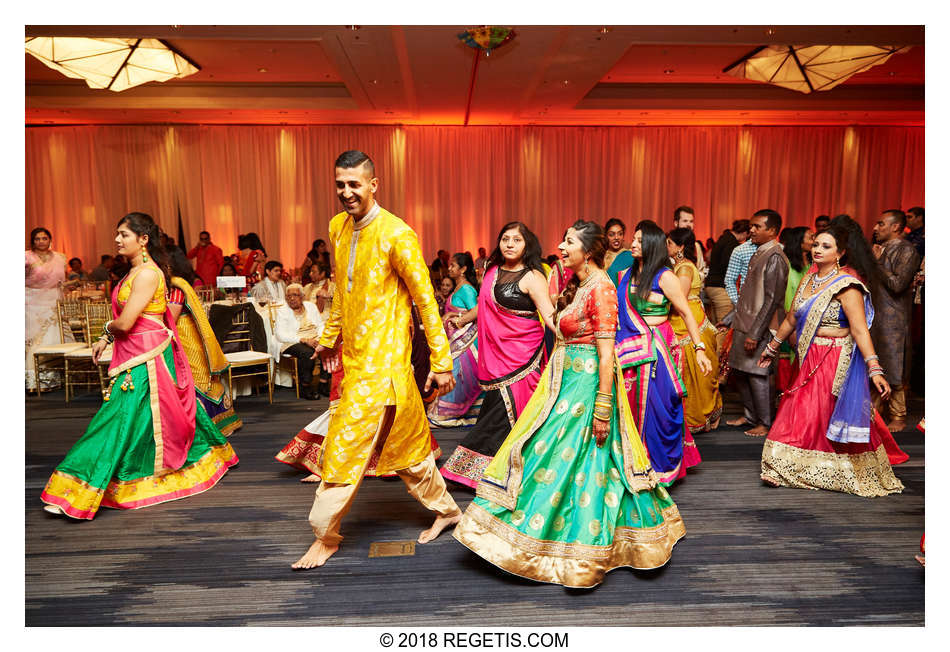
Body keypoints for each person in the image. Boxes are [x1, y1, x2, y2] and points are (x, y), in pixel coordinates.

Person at [453, 220, 685, 588]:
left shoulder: (602, 289)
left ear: (588, 252)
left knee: (582, 459)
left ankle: (577, 548)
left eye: (569, 242)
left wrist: (603, 408)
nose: (560, 247)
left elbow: (607, 355)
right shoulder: (581, 285)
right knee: (550, 454)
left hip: (587, 387)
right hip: (563, 384)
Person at [292, 150, 461, 570]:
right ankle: (448, 511)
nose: (346, 192)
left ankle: (324, 534)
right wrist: (330, 340)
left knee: (342, 450)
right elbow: (342, 293)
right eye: (339, 184)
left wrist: (442, 361)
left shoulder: (397, 234)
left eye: (354, 184)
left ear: (373, 184)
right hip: (357, 362)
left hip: (384, 368)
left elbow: (426, 301)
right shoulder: (337, 227)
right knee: (409, 450)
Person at [40, 212, 238, 519]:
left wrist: (106, 332)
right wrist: (107, 336)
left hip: (147, 358)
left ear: (143, 239)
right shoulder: (134, 272)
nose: (118, 240)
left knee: (118, 417)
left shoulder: (147, 274)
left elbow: (127, 322)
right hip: (141, 354)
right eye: (117, 234)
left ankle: (77, 486)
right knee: (142, 419)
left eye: (124, 234)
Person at [759, 226, 905, 496]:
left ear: (841, 252)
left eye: (826, 246)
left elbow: (860, 330)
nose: (817, 249)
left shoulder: (847, 285)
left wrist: (874, 368)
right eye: (816, 244)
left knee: (821, 412)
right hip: (809, 354)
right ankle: (781, 466)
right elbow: (792, 318)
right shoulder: (808, 280)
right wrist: (773, 346)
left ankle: (830, 468)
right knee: (797, 410)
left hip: (835, 357)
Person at [438, 221, 556, 489]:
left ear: (527, 245)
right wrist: (461, 319)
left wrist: (575, 332)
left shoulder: (533, 277)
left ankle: (475, 470)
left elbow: (549, 315)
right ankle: (490, 471)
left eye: (517, 239)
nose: (510, 244)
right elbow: (483, 308)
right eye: (506, 239)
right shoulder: (491, 272)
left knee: (506, 416)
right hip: (496, 360)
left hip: (524, 359)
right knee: (495, 411)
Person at [615, 220, 711, 485]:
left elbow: (686, 314)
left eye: (638, 240)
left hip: (656, 351)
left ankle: (659, 464)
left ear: (652, 245)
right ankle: (635, 460)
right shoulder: (626, 274)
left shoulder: (664, 276)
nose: (632, 244)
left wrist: (699, 348)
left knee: (659, 407)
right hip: (629, 349)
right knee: (631, 405)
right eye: (632, 239)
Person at [723, 209, 788, 436]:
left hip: (759, 327)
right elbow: (748, 294)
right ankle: (750, 415)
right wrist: (730, 319)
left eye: (757, 227)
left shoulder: (775, 257)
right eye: (751, 225)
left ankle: (765, 422)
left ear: (772, 231)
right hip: (745, 322)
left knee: (758, 374)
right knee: (740, 372)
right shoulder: (759, 251)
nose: (751, 230)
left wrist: (756, 333)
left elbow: (772, 300)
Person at [166, 248, 242, 436]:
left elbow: (169, 319)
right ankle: (220, 421)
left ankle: (205, 425)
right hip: (189, 337)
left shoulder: (175, 287)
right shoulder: (182, 283)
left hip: (185, 338)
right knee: (200, 376)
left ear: (169, 266)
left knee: (195, 378)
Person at [870, 209, 921, 432]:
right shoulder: (880, 249)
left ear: (896, 228)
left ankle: (898, 416)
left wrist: (879, 262)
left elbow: (898, 285)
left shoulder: (907, 250)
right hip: (876, 316)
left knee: (894, 367)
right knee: (877, 365)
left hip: (894, 319)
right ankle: (874, 412)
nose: (875, 228)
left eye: (881, 224)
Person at [667, 227, 722, 432]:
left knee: (694, 374)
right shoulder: (681, 266)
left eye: (670, 244)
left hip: (688, 323)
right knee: (693, 374)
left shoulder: (684, 268)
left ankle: (699, 418)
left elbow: (678, 298)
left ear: (680, 247)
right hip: (690, 319)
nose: (667, 247)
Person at [428, 252, 483, 427]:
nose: (449, 268)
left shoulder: (466, 289)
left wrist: (455, 315)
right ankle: (465, 413)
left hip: (466, 343)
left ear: (463, 269)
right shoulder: (458, 287)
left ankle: (449, 413)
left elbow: (477, 312)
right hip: (457, 343)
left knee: (459, 377)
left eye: (453, 265)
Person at [25, 227, 73, 390]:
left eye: (44, 238)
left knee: (53, 338)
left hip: (54, 301)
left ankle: (53, 379)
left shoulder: (60, 257)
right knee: (36, 340)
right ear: (32, 241)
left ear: (50, 240)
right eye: (37, 239)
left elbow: (61, 282)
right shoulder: (26, 257)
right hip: (32, 303)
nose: (41, 241)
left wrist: (71, 285)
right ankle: (34, 381)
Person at [775, 226, 815, 393]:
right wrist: (791, 330)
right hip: (791, 323)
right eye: (811, 238)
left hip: (812, 323)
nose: (814, 241)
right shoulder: (789, 266)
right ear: (799, 242)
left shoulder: (814, 265)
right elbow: (787, 300)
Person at [273, 284, 325, 400]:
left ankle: (323, 383)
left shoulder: (311, 306)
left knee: (328, 346)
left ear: (302, 296)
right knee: (307, 352)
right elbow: (280, 335)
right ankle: (305, 386)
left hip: (313, 338)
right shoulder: (283, 310)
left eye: (295, 295)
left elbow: (320, 325)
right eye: (289, 296)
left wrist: (320, 339)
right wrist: (303, 340)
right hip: (291, 341)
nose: (291, 298)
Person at [704, 220, 750, 326]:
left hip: (711, 284)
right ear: (744, 233)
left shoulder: (723, 238)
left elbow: (709, 256)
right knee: (723, 326)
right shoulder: (731, 243)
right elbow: (726, 265)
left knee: (715, 325)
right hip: (720, 287)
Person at [672, 206, 707, 278]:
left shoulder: (696, 246)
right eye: (685, 221)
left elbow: (702, 270)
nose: (688, 225)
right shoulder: (669, 244)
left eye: (691, 221)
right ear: (676, 223)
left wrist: (693, 277)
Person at [603, 218, 633, 285]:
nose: (616, 237)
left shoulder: (631, 256)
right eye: (611, 234)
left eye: (620, 234)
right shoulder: (600, 256)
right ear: (606, 236)